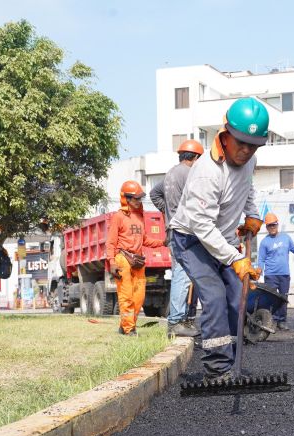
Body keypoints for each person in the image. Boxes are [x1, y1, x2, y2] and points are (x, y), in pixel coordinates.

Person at [169, 97, 268, 382]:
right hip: (191, 239)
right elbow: (201, 226)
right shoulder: (207, 172)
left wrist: (252, 214)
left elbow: (248, 188)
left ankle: (231, 361)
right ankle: (217, 367)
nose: (247, 151)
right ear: (225, 135)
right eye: (241, 143)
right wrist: (236, 258)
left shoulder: (250, 160)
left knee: (237, 297)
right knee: (213, 296)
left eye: (254, 145)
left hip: (221, 240)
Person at [150, 139, 204, 337]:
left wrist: (167, 212)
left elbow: (154, 193)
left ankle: (181, 320)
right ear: (196, 157)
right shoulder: (191, 173)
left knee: (183, 275)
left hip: (173, 231)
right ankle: (175, 322)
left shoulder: (171, 173)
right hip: (185, 232)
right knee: (182, 276)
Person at [107, 181, 166, 336]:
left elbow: (144, 239)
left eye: (140, 198)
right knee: (126, 295)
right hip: (122, 259)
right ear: (126, 198)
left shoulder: (140, 217)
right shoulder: (118, 217)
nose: (139, 201)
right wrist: (112, 263)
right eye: (136, 198)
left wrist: (163, 242)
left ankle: (125, 325)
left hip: (138, 260)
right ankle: (129, 329)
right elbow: (111, 243)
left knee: (139, 297)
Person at [257, 212, 294, 330]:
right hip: (271, 275)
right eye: (270, 226)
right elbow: (261, 259)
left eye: (274, 225)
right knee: (271, 299)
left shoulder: (286, 238)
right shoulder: (264, 242)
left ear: (277, 225)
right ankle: (272, 321)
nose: (272, 227)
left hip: (284, 274)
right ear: (267, 227)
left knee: (283, 298)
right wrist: (259, 270)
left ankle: (282, 321)